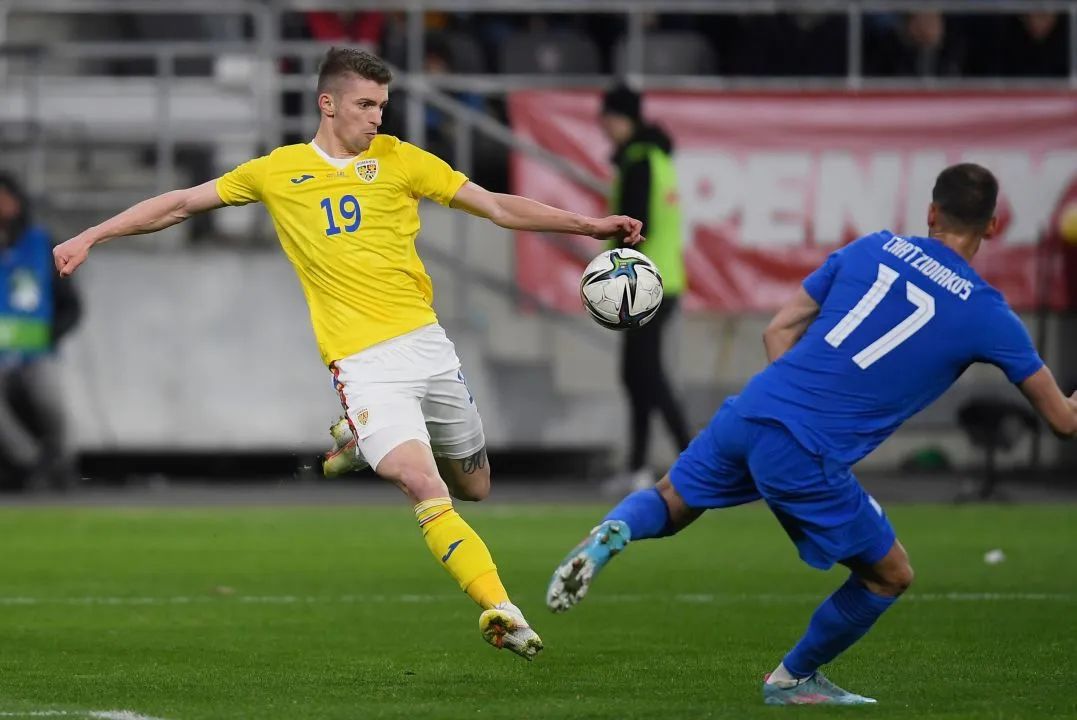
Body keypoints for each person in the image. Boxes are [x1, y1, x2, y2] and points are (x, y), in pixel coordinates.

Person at [52, 47, 642, 660]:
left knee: (476, 487)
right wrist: (92, 234)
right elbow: (178, 204)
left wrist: (587, 225)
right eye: (365, 104)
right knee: (420, 480)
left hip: (429, 349)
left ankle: (360, 442)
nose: (377, 117)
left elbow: (495, 205)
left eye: (382, 105)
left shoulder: (402, 160)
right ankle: (502, 609)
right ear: (327, 104)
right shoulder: (277, 171)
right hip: (363, 366)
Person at [546, 163, 1077, 703]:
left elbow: (777, 329)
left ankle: (612, 531)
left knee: (670, 500)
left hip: (752, 408)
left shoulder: (872, 247)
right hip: (806, 448)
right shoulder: (987, 312)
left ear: (931, 212)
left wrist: (791, 401)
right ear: (992, 226)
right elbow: (1063, 421)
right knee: (890, 574)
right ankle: (792, 679)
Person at [598, 84, 692, 494]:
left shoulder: (638, 161)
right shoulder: (657, 158)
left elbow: (636, 227)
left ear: (622, 119)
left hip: (643, 282)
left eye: (607, 119)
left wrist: (611, 278)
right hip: (660, 278)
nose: (604, 128)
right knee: (639, 374)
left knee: (646, 375)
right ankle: (640, 464)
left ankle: (691, 459)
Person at [0, 173, 81, 491]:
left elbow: (70, 305)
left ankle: (62, 462)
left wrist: (51, 335)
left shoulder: (42, 244)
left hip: (37, 350)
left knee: (50, 397)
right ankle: (28, 461)